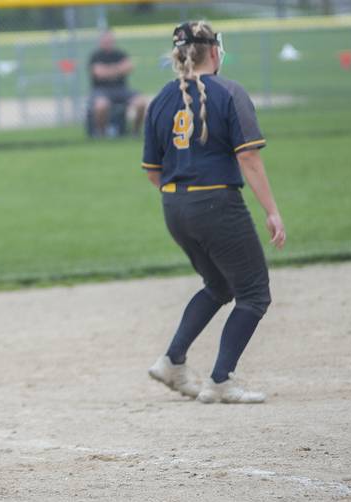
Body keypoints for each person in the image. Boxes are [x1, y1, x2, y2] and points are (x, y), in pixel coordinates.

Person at [141, 21, 286, 404]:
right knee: (254, 294)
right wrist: (272, 210)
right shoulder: (229, 92)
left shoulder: (160, 99)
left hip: (174, 205)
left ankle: (172, 361)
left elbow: (153, 171)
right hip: (217, 202)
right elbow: (249, 157)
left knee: (220, 285)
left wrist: (184, 198)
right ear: (214, 51)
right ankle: (220, 380)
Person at [88, 30, 147, 137]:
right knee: (101, 105)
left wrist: (108, 70)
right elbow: (98, 73)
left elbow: (129, 67)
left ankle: (135, 132)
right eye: (105, 40)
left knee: (141, 103)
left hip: (121, 89)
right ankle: (101, 133)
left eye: (110, 40)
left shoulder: (120, 54)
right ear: (101, 41)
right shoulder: (96, 56)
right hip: (101, 90)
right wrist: (118, 69)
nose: (108, 42)